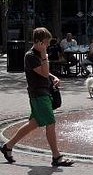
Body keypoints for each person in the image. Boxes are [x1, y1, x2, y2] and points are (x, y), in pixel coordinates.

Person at [1, 27, 74, 167]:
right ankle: (56, 157)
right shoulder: (31, 56)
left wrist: (54, 77)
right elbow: (44, 73)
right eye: (46, 42)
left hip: (42, 93)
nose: (47, 45)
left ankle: (8, 146)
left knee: (33, 124)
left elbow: (46, 74)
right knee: (50, 123)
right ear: (39, 42)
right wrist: (44, 54)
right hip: (38, 95)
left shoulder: (38, 54)